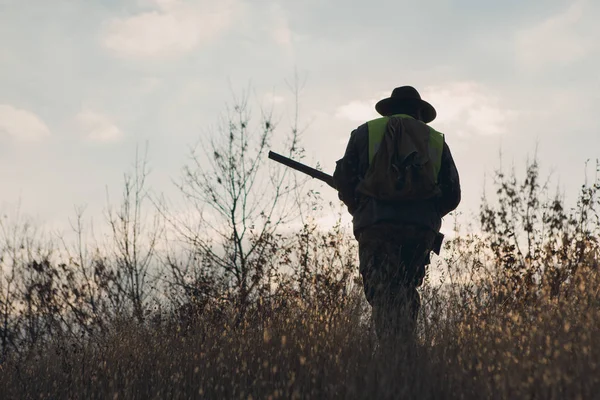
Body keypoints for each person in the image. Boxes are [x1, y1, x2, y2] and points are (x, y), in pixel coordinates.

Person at [333, 86, 461, 344]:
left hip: (375, 226)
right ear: (419, 112)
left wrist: (360, 209)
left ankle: (394, 354)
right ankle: (406, 353)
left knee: (382, 293)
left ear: (389, 110)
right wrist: (428, 215)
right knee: (405, 288)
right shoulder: (435, 140)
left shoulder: (365, 133)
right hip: (420, 231)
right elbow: (453, 194)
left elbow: (344, 180)